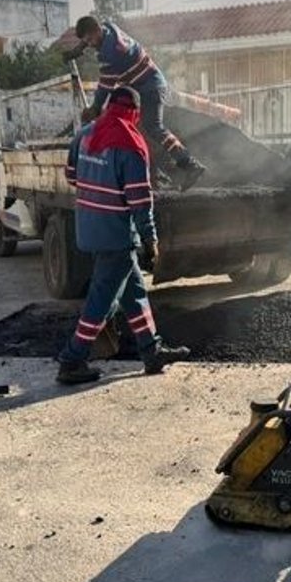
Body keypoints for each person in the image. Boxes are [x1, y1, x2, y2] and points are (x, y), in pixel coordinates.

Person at [55, 85, 190, 385]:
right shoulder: (131, 144)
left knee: (135, 293)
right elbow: (140, 201)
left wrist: (98, 186)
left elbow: (71, 176)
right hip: (116, 235)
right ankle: (71, 360)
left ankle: (151, 351)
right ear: (135, 112)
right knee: (101, 301)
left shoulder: (85, 134)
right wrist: (151, 240)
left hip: (89, 228)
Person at [66, 15, 208, 190]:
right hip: (147, 85)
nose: (90, 44)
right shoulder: (109, 28)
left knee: (153, 127)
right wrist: (78, 49)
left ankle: (190, 165)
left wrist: (95, 108)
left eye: (89, 40)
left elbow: (105, 85)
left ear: (96, 31)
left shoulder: (111, 52)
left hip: (151, 87)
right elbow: (95, 34)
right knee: (137, 128)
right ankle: (154, 172)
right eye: (86, 41)